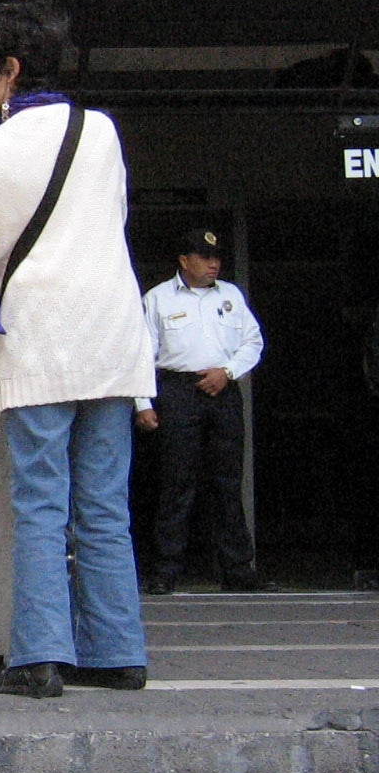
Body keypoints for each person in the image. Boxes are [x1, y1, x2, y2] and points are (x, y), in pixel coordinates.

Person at [0, 0, 154, 698]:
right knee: (103, 501)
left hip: (42, 335)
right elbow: (112, 219)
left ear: (10, 70)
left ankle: (39, 660)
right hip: (114, 334)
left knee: (41, 500)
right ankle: (118, 652)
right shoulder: (100, 132)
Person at [135, 229, 270, 594]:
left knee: (227, 482)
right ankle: (166, 569)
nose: (214, 264)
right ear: (184, 260)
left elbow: (252, 342)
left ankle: (237, 568)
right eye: (204, 257)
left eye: (216, 258)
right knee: (176, 482)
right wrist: (143, 403)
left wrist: (227, 373)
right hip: (178, 391)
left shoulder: (230, 296)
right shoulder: (158, 298)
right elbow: (142, 353)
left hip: (222, 392)